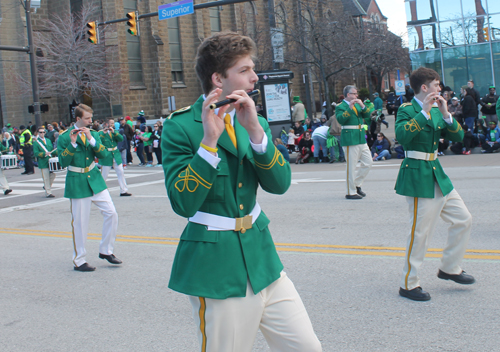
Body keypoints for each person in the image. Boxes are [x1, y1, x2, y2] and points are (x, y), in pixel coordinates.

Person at [162, 32, 321, 352]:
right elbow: (183, 202)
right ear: (218, 78)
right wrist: (208, 144)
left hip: (264, 260)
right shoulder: (181, 127)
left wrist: (256, 133)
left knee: (307, 348)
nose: (255, 77)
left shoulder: (253, 118)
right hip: (218, 269)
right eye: (245, 70)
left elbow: (280, 184)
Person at [395, 67, 474, 302]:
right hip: (418, 174)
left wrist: (446, 114)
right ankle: (408, 283)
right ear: (424, 87)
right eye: (437, 85)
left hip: (437, 172)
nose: (440, 89)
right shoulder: (407, 110)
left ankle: (450, 267)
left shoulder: (439, 109)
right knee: (420, 232)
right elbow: (402, 137)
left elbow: (458, 137)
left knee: (463, 219)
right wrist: (425, 112)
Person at [57, 104, 122, 272]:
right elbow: (62, 162)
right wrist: (72, 144)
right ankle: (79, 260)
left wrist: (92, 141)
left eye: (91, 118)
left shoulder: (93, 134)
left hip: (95, 179)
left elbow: (104, 155)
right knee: (80, 223)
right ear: (78, 119)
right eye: (87, 118)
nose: (91, 121)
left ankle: (106, 250)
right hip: (77, 181)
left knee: (111, 213)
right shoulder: (64, 137)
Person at [336, 85, 372, 200]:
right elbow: (341, 119)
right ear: (348, 95)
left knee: (368, 162)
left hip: (361, 137)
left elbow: (367, 116)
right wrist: (349, 108)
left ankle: (356, 184)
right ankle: (350, 192)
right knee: (351, 167)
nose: (356, 96)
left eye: (357, 94)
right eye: (354, 94)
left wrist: (362, 106)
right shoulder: (340, 106)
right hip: (350, 139)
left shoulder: (357, 104)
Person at [98, 119, 132, 197]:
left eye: (113, 123)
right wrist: (104, 133)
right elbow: (99, 141)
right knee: (104, 174)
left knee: (121, 172)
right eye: (110, 123)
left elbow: (121, 139)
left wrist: (114, 132)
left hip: (115, 154)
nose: (112, 125)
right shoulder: (100, 133)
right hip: (107, 155)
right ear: (106, 124)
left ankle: (123, 190)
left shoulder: (115, 132)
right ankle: (100, 191)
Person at [33, 127, 57, 198]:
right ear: (38, 133)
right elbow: (36, 153)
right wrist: (44, 154)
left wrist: (58, 151)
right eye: (40, 132)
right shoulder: (36, 143)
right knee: (46, 178)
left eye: (43, 132)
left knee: (53, 175)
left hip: (50, 161)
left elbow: (52, 150)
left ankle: (46, 186)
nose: (42, 133)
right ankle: (48, 192)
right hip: (43, 162)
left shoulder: (48, 140)